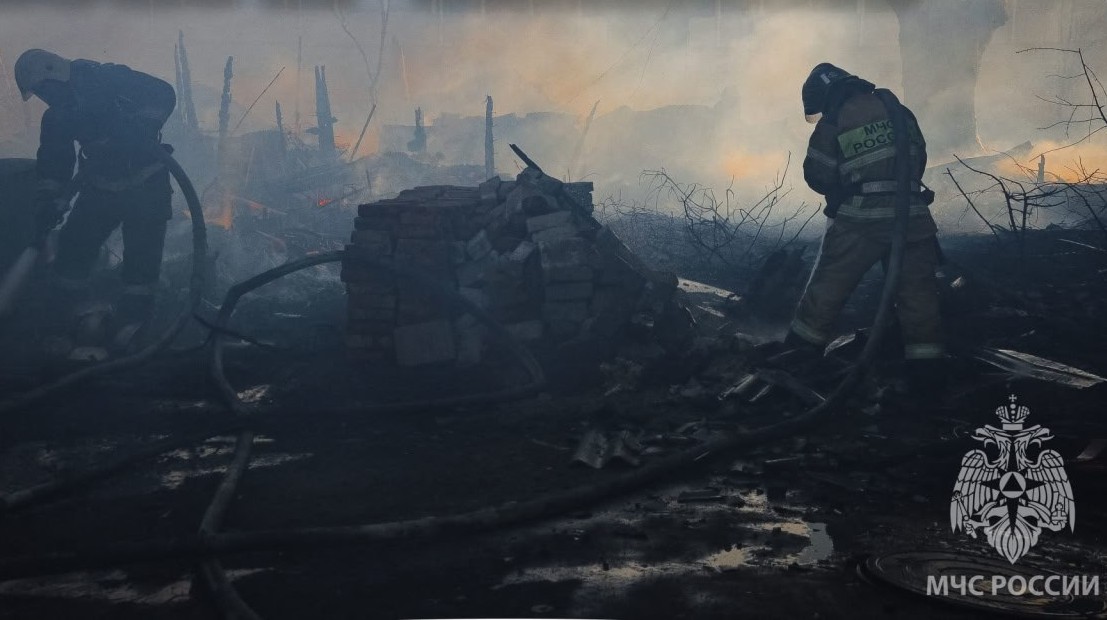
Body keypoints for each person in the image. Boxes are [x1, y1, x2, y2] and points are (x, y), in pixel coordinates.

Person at [786, 63, 945, 381]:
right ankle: (927, 374)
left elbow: (818, 175)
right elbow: (919, 157)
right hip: (913, 217)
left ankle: (798, 355)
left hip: (862, 220)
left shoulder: (835, 119)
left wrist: (847, 187)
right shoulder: (898, 109)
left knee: (829, 287)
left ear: (825, 96)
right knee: (918, 295)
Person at [15, 49, 176, 352]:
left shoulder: (109, 79)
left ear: (56, 74)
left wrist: (142, 126)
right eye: (38, 93)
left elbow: (163, 93)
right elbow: (55, 161)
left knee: (141, 264)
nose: (45, 97)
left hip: (146, 184)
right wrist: (50, 200)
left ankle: (132, 330)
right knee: (73, 252)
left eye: (44, 89)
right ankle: (62, 328)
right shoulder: (57, 116)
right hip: (99, 186)